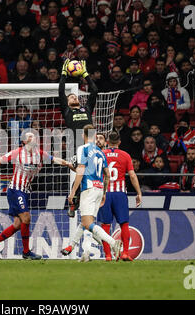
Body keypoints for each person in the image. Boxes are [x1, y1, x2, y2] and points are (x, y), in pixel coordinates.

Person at [0, 132, 72, 260]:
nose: (33, 138)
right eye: (30, 136)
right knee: (26, 217)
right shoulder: (17, 152)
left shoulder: (40, 153)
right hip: (15, 189)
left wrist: (68, 164)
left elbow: (55, 159)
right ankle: (26, 252)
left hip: (25, 191)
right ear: (24, 141)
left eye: (34, 136)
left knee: (18, 224)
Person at [61, 125, 122, 262]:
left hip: (88, 188)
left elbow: (81, 170)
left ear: (83, 135)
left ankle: (113, 243)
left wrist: (72, 192)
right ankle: (82, 251)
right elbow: (107, 174)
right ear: (95, 136)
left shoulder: (83, 148)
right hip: (99, 188)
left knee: (87, 223)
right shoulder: (101, 152)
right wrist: (104, 192)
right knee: (86, 222)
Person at [59, 58, 98, 215]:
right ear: (67, 103)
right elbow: (61, 91)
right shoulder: (67, 111)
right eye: (71, 97)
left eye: (75, 96)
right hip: (77, 147)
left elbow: (94, 90)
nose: (74, 97)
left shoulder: (86, 109)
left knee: (93, 174)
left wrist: (85, 74)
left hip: (92, 146)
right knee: (80, 173)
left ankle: (90, 200)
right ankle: (73, 202)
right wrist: (63, 74)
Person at [96, 132, 142, 261]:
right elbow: (132, 175)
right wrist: (139, 193)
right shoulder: (125, 155)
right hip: (120, 194)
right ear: (119, 142)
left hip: (104, 194)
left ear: (107, 142)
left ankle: (108, 256)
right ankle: (126, 253)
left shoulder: (101, 154)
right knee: (124, 224)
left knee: (105, 225)